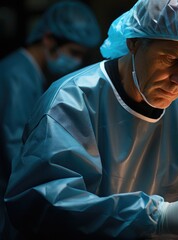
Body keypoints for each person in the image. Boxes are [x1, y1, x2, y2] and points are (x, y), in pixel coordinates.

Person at [5, 0, 178, 239]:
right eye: (171, 59)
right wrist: (156, 216)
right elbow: (44, 206)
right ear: (134, 43)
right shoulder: (72, 102)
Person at [0, 1, 101, 239]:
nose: (76, 62)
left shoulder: (32, 75)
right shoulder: (16, 76)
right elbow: (15, 151)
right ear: (48, 39)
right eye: (73, 52)